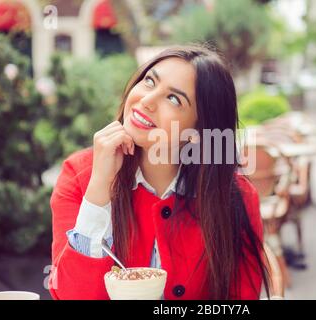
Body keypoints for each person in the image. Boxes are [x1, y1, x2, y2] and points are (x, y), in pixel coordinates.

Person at [49, 45, 270, 300]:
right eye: (149, 81)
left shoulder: (235, 197)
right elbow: (71, 295)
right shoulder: (79, 176)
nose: (147, 100)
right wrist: (99, 188)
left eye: (174, 99)